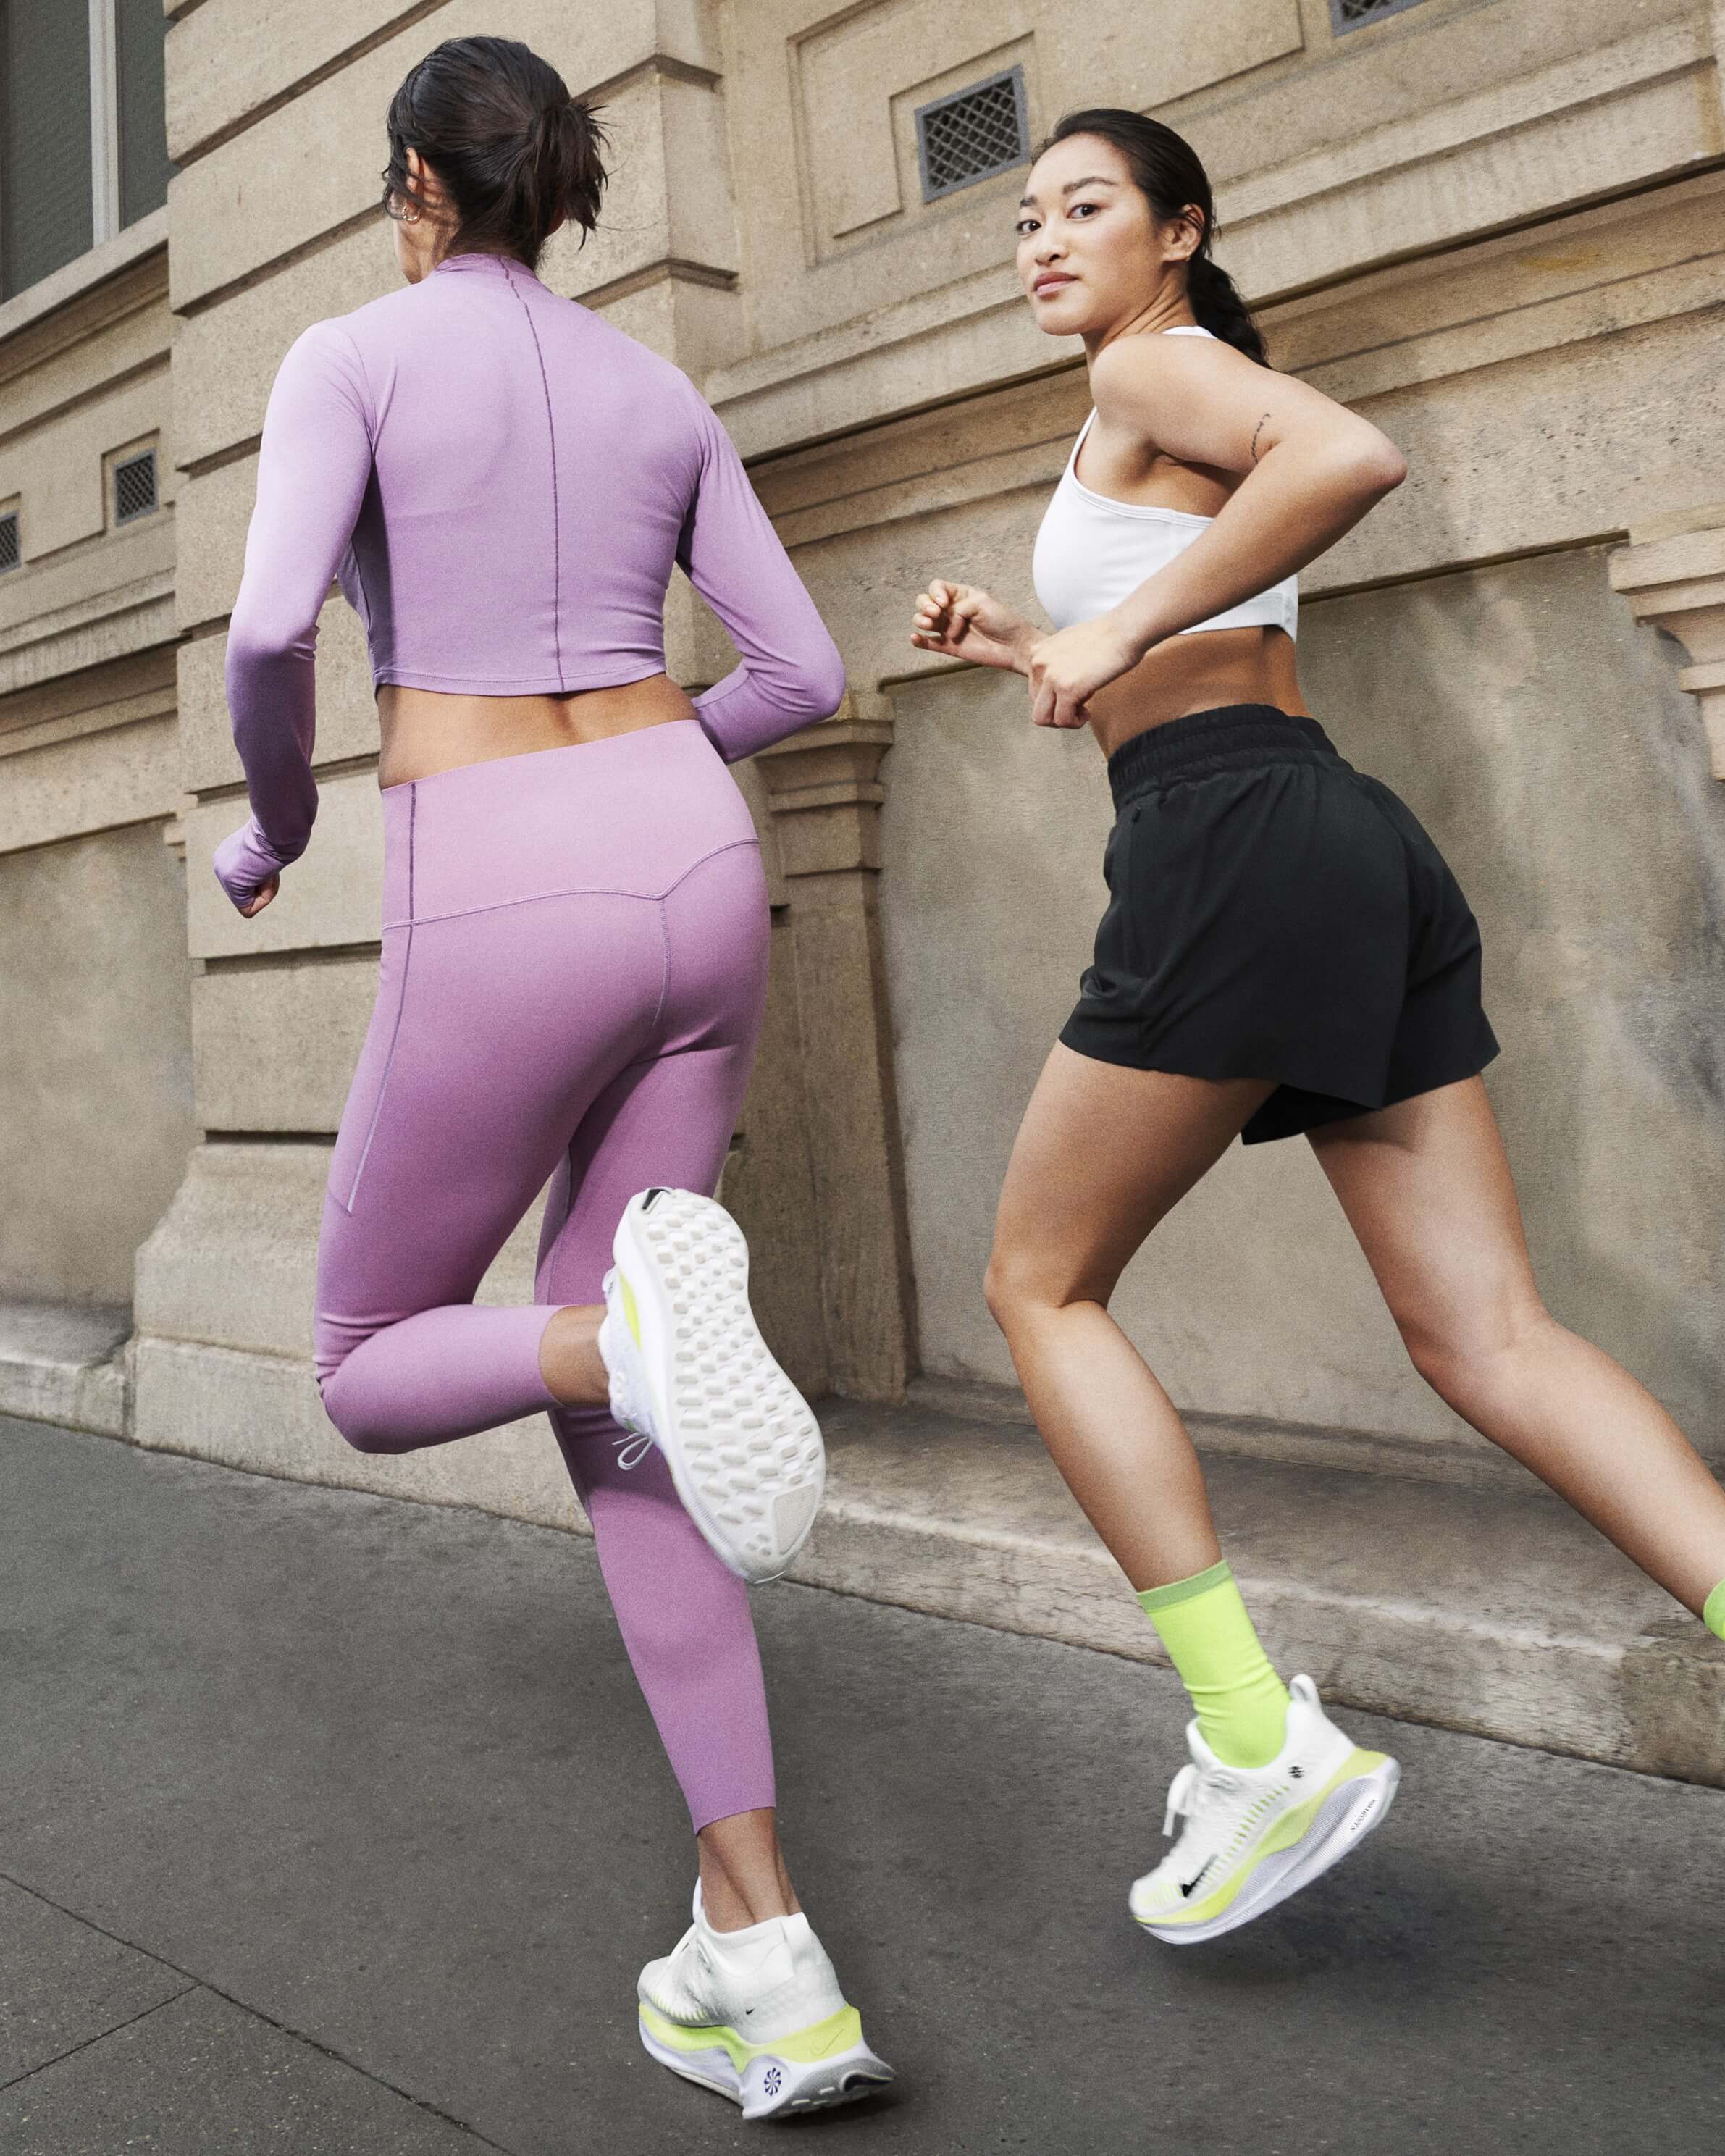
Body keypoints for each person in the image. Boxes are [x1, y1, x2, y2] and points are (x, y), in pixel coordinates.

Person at [910, 107, 1725, 1946]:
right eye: (1024, 218)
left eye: (1085, 207)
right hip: (1338, 833)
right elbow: (1176, 623)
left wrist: (1102, 648)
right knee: (1492, 1334)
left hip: (1228, 843)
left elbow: (1356, 456)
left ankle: (1255, 1737)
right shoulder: (1176, 395)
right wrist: (1028, 643)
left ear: (1177, 230)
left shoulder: (1158, 363)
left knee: (1039, 1288)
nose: (1042, 241)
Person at [214, 34, 891, 2118]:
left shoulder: (348, 353)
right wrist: (651, 790)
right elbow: (801, 672)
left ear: (416, 177)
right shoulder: (657, 391)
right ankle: (768, 1962)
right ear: (555, 185)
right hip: (693, 857)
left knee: (367, 1349)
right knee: (632, 1437)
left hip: (496, 872)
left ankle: (614, 1344)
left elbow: (261, 642)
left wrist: (280, 827)